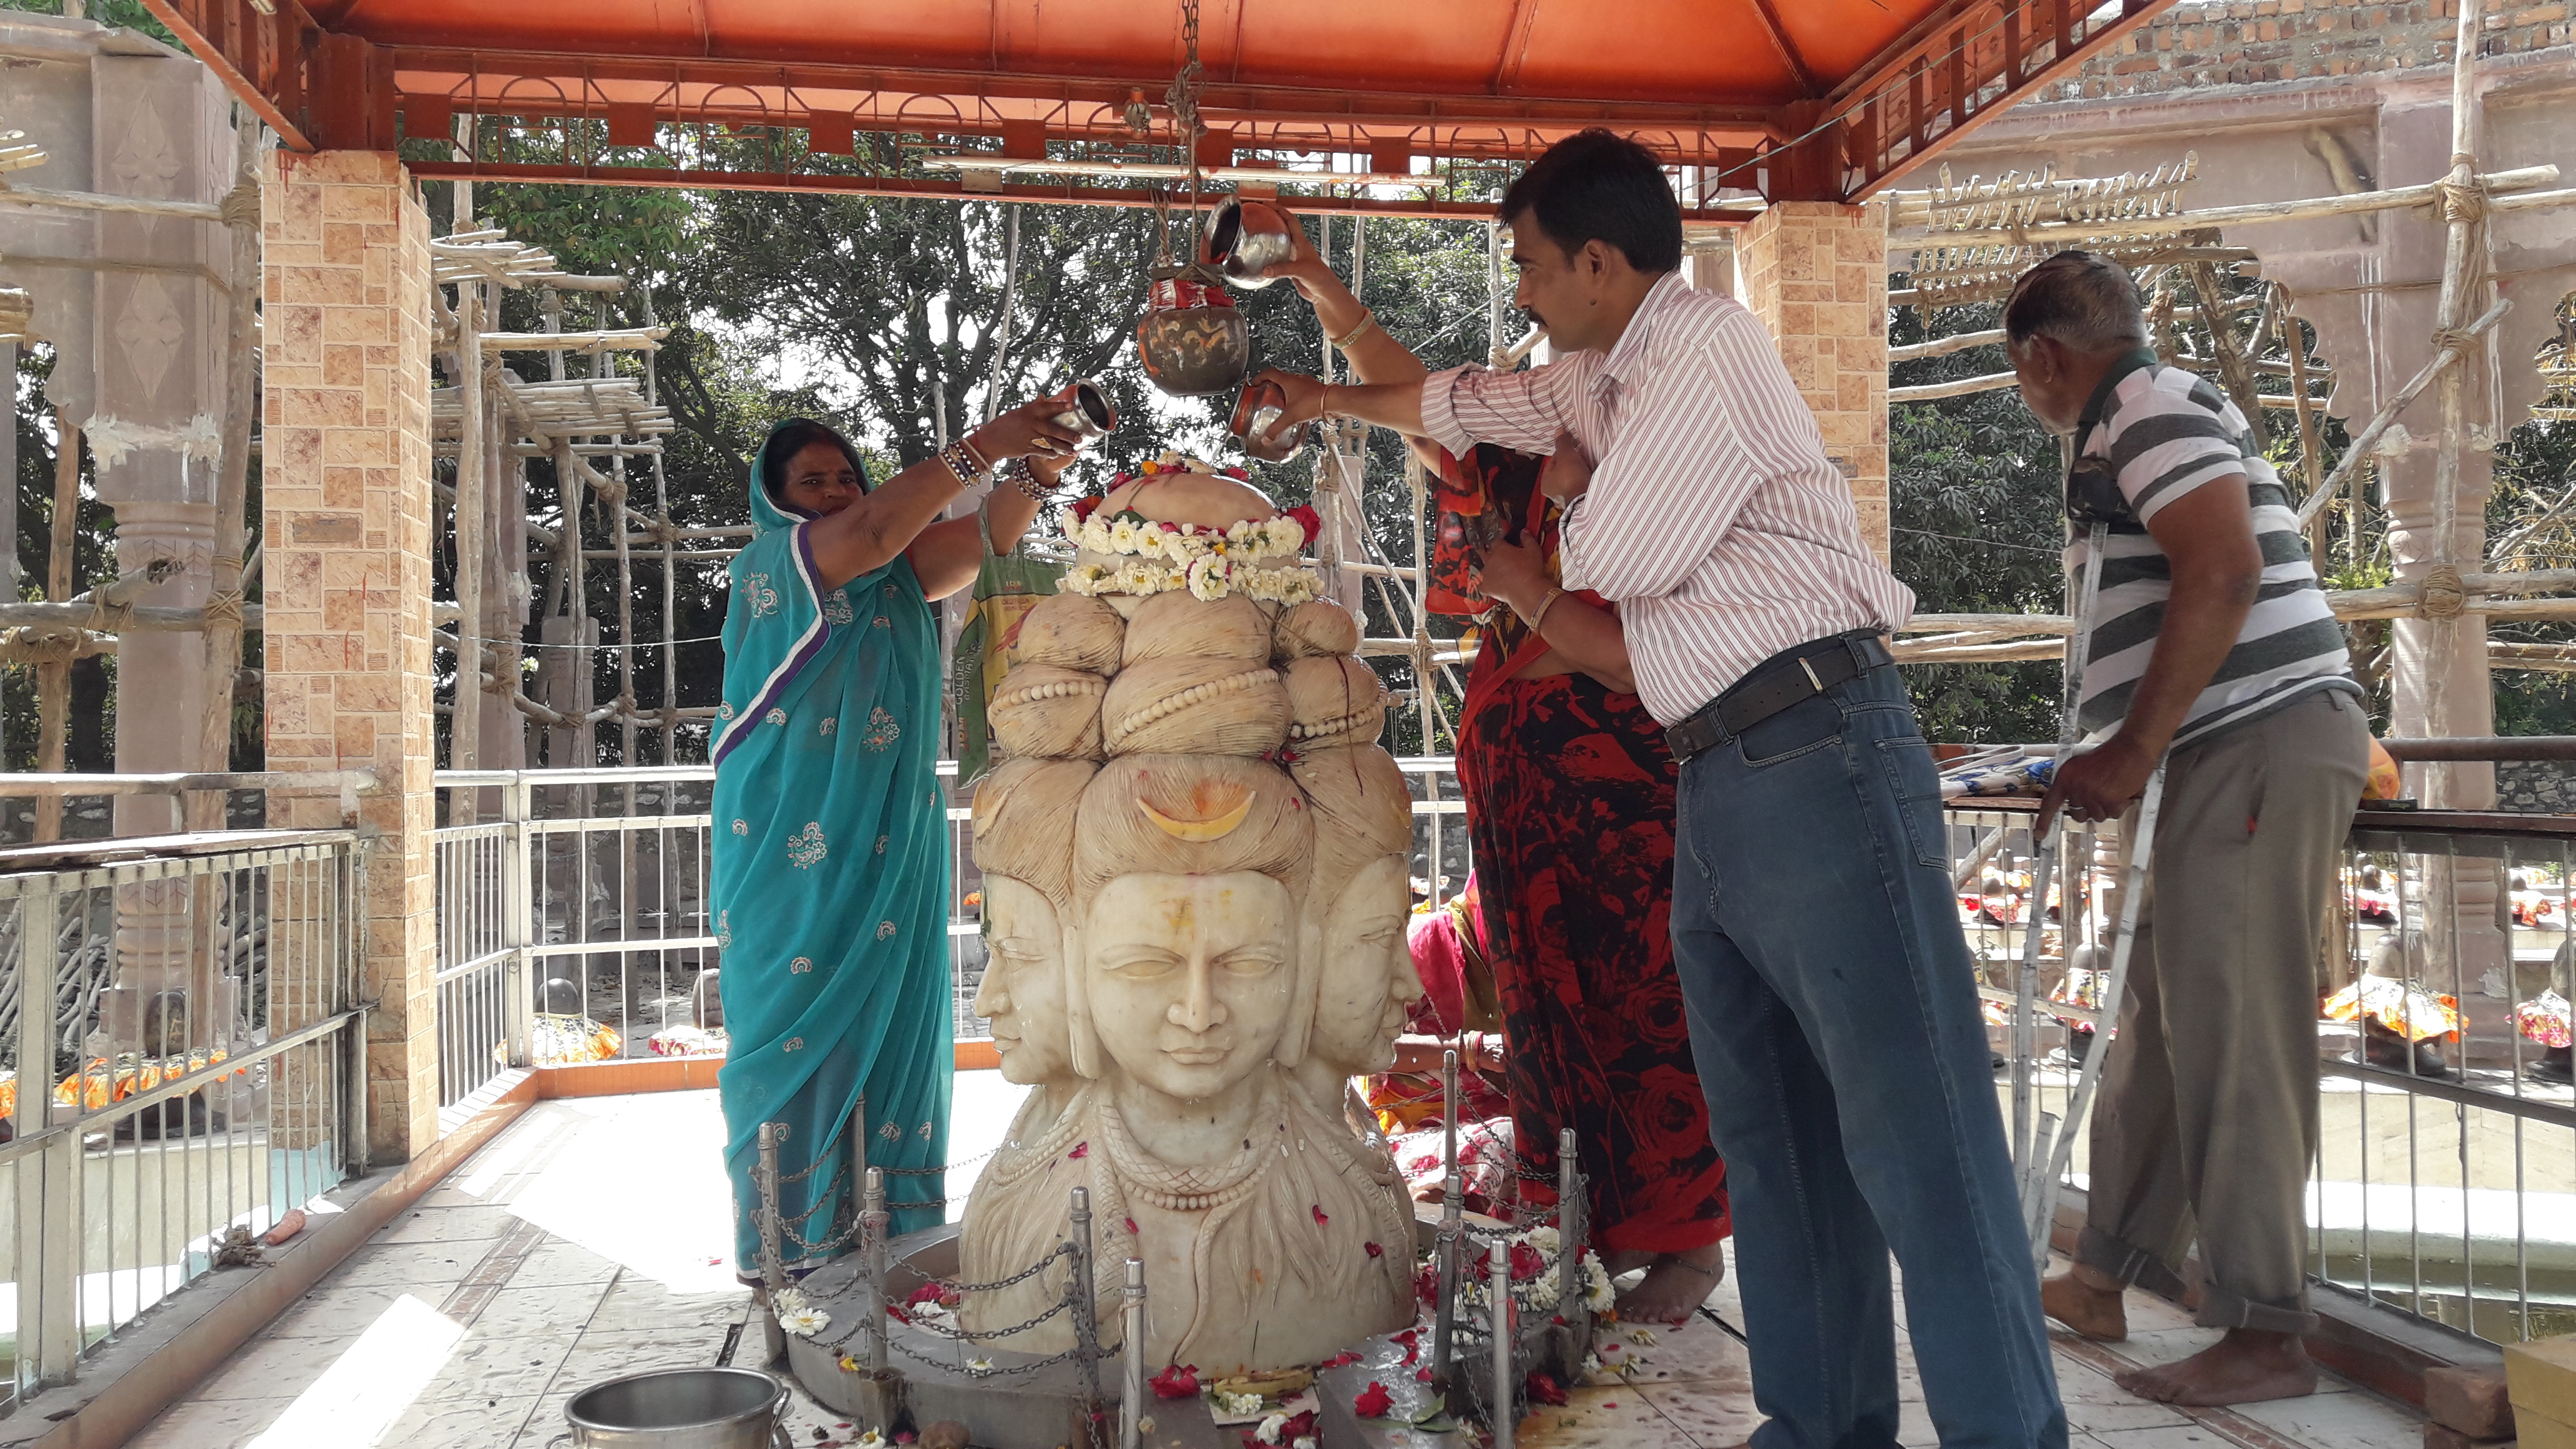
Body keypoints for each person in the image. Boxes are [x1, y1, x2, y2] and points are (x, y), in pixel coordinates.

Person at [1252, 130, 2066, 1448]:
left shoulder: (1700, 350)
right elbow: (1466, 406)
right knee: (1780, 1147)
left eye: (1527, 265)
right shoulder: (1602, 378)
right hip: (1721, 774)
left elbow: (1614, 554)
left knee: (1920, 1142)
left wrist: (1558, 507)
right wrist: (1334, 399)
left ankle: (2009, 1434)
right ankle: (1818, 1428)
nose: (1518, 293)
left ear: (1594, 259)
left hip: (1817, 752)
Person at [1267, 216, 1730, 1322]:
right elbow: (1397, 379)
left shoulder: (1651, 447)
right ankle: (1580, 1221)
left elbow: (1640, 644)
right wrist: (1310, 275)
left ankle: (1687, 1245)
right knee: (1543, 1018)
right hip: (1522, 810)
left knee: (1645, 1011)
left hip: (1622, 800)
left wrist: (1558, 540)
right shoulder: (1507, 459)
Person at [2006, 250, 2367, 1406]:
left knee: (2241, 1031)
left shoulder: (2146, 409)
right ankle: (2108, 1267)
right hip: (2215, 752)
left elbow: (2223, 574)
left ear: (2043, 357)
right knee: (2164, 1012)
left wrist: (2130, 748)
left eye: (2024, 380)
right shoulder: (2132, 418)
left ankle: (2267, 1331)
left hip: (2251, 742)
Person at [711, 400, 1081, 1283]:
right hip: (793, 857)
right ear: (776, 500)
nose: (837, 491)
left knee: (900, 1028)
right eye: (813, 481)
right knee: (797, 1037)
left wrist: (1040, 465)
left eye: (846, 476)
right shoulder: (778, 562)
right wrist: (985, 443)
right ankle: (792, 1253)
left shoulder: (893, 574)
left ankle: (894, 1248)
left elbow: (984, 537)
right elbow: (875, 529)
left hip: (893, 840)